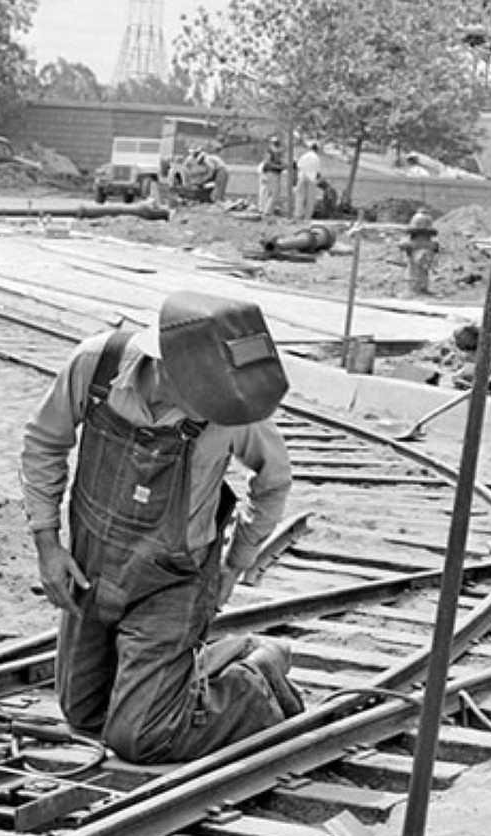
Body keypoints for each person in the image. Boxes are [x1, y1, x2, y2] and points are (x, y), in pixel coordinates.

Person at [20, 292, 302, 765]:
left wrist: (236, 561)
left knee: (141, 737)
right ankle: (218, 660)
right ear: (168, 366)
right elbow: (44, 442)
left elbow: (273, 480)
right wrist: (48, 546)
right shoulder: (97, 365)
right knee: (84, 714)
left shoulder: (230, 410)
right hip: (95, 567)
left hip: (174, 579)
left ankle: (254, 681)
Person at [294, 141, 323, 221]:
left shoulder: (304, 156)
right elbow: (317, 170)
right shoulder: (316, 158)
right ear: (317, 149)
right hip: (311, 178)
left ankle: (298, 215)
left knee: (300, 197)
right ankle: (307, 217)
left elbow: (298, 166)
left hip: (302, 177)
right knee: (310, 199)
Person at [257, 136, 285, 215]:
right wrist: (280, 166)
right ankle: (267, 211)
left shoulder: (275, 151)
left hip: (270, 174)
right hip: (271, 174)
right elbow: (269, 163)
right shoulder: (271, 151)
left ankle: (264, 210)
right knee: (273, 193)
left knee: (267, 193)